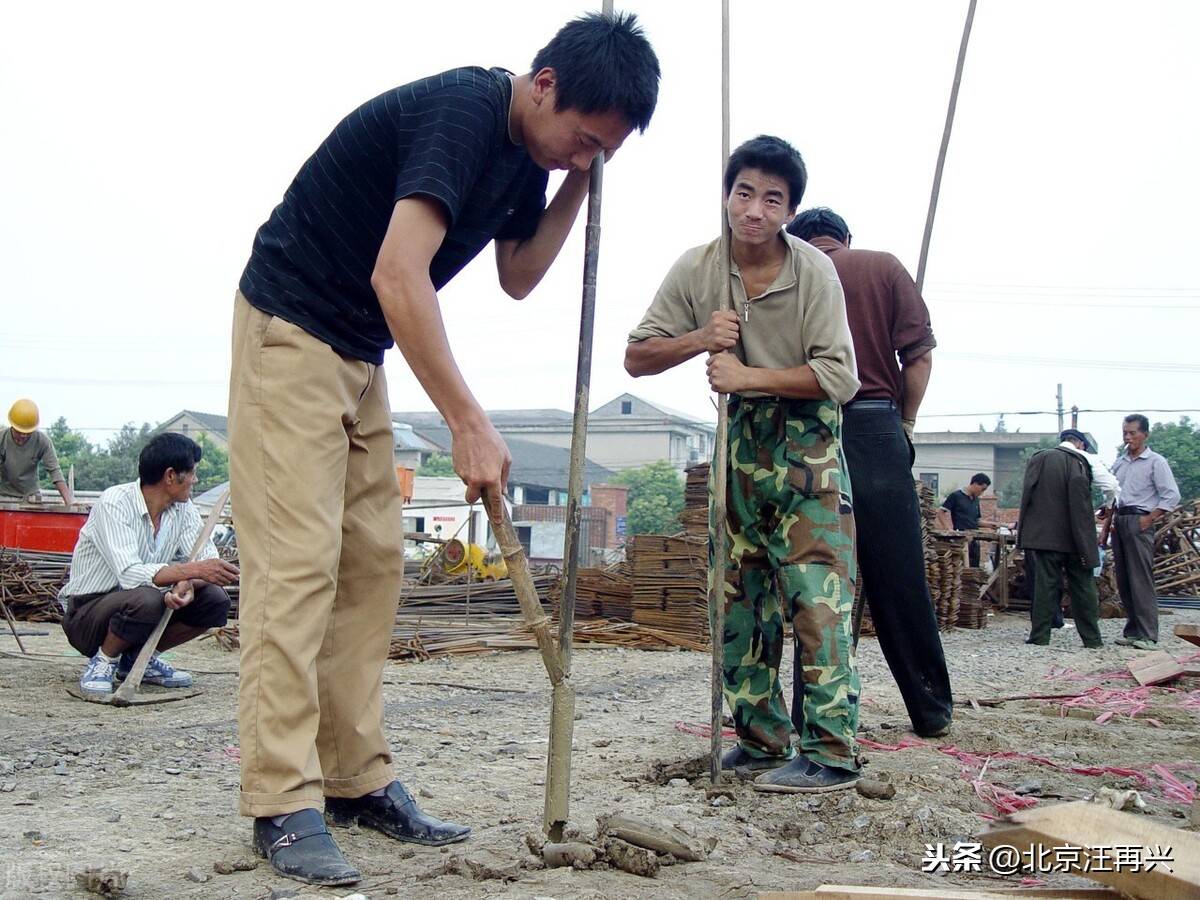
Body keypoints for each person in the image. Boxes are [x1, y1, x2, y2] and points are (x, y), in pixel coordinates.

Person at [228, 13, 661, 886]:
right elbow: (400, 273)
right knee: (298, 570)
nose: (578, 157)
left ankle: (353, 779)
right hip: (291, 332)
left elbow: (520, 273)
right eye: (581, 137)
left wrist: (582, 176)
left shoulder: (530, 158)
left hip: (358, 350)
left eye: (599, 150)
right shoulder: (465, 115)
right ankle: (282, 802)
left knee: (375, 562)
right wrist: (467, 418)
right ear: (544, 84)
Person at [625, 136, 862, 793]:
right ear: (727, 196)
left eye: (772, 199)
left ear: (790, 211)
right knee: (737, 599)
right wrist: (702, 339)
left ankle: (831, 753)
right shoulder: (700, 269)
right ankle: (760, 740)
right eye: (744, 192)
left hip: (805, 442)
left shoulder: (813, 271)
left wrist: (747, 374)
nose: (754, 210)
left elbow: (839, 377)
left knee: (816, 599)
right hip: (737, 442)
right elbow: (637, 355)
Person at [786, 207, 952, 738]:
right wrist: (904, 421)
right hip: (876, 425)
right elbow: (919, 358)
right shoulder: (882, 267)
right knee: (899, 576)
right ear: (845, 237)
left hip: (809, 430)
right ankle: (930, 711)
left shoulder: (789, 276)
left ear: (796, 239)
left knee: (815, 577)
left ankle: (808, 715)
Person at [58, 433, 237, 695]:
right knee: (148, 598)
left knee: (214, 600)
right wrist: (191, 571)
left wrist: (186, 582)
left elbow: (205, 560)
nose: (195, 481)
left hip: (144, 603)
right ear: (170, 476)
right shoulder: (115, 503)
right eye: (192, 473)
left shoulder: (183, 509)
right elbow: (130, 574)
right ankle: (104, 660)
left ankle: (138, 659)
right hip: (89, 616)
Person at [1017, 429, 1110, 648]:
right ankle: (1092, 640)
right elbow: (1112, 485)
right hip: (1077, 537)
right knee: (1083, 587)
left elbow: (1027, 495)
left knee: (1044, 586)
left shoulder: (1039, 458)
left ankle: (1039, 637)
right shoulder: (1085, 459)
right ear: (1081, 445)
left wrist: (1026, 532)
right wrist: (1107, 505)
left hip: (1045, 536)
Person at [1107, 414, 1180, 649]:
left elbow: (1171, 494)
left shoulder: (1156, 462)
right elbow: (1113, 492)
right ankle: (1133, 631)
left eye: (1133, 433)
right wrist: (1105, 514)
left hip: (1140, 520)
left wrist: (1150, 519)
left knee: (1141, 578)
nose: (1128, 438)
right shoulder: (1120, 462)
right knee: (1125, 579)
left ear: (1145, 435)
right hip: (1120, 519)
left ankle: (1148, 634)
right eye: (1125, 433)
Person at [0, 399, 73, 506]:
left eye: (28, 433)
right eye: (19, 432)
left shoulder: (42, 441)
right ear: (12, 426)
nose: (23, 436)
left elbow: (55, 472)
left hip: (31, 497)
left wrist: (69, 503)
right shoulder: (2, 439)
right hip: (3, 496)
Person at [942, 473, 993, 566]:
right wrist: (948, 529)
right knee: (963, 566)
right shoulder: (956, 496)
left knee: (974, 566)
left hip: (974, 538)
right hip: (962, 538)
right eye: (982, 489)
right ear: (975, 484)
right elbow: (941, 512)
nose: (982, 492)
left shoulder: (976, 500)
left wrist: (991, 525)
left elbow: (976, 521)